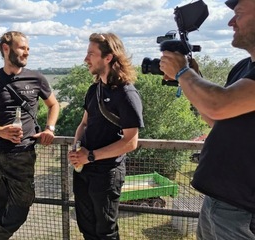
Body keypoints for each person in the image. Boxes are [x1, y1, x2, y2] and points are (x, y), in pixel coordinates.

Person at [159, 0, 255, 239]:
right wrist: (192, 80)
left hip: (245, 210)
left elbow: (218, 104)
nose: (231, 22)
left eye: (239, 14)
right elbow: (216, 117)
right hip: (218, 202)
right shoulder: (243, 67)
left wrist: (183, 72)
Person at [0, 31, 59, 240]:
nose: (26, 52)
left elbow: (53, 104)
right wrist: (0, 131)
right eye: (22, 48)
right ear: (6, 48)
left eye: (28, 49)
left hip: (23, 154)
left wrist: (50, 129)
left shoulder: (36, 78)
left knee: (21, 205)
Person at [68, 32, 144, 240]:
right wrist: (76, 150)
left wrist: (90, 155)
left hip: (107, 174)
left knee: (105, 232)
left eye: (91, 54)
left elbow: (131, 141)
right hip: (83, 170)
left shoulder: (127, 94)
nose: (86, 59)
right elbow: (83, 123)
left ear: (108, 57)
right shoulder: (94, 90)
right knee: (86, 226)